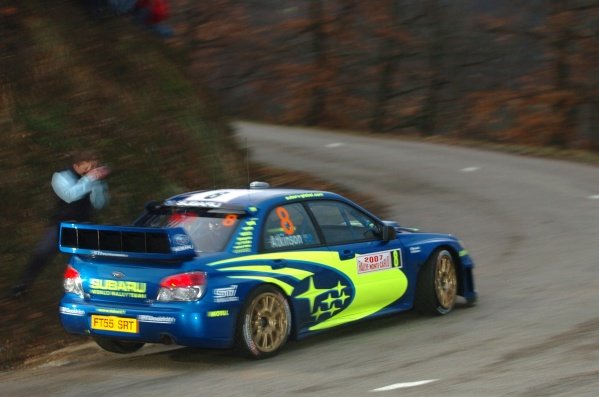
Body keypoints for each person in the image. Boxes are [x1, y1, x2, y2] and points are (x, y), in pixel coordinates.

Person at [11, 150, 111, 298]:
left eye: (94, 166)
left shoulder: (92, 179)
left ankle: (86, 294)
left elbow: (99, 204)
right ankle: (22, 286)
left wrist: (97, 185)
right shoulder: (61, 176)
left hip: (84, 225)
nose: (91, 169)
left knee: (85, 261)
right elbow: (69, 196)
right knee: (41, 253)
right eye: (88, 166)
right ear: (78, 164)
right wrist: (88, 180)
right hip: (61, 225)